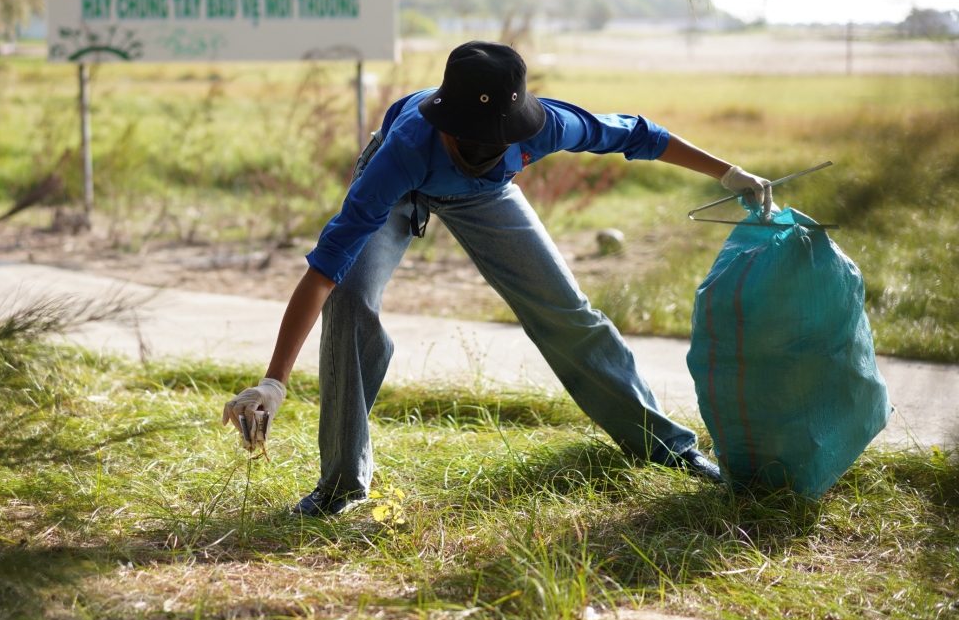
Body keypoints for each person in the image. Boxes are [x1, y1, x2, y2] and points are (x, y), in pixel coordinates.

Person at [222, 41, 773, 516]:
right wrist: (274, 380)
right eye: (468, 146)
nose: (479, 157)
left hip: (487, 202)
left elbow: (640, 135)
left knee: (567, 312)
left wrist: (727, 172)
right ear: (445, 127)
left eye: (494, 147)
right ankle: (341, 485)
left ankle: (664, 447)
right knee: (349, 302)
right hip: (401, 191)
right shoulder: (404, 152)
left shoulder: (546, 127)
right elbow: (323, 269)